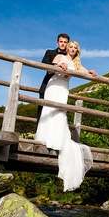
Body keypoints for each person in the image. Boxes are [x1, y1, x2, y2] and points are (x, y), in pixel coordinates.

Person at [34, 39, 95, 191]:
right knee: (51, 110)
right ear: (67, 48)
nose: (73, 49)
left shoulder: (77, 63)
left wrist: (90, 73)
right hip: (54, 85)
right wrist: (57, 66)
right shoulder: (60, 57)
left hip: (63, 88)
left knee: (61, 112)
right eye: (71, 47)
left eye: (75, 48)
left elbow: (85, 72)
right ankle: (46, 137)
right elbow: (50, 69)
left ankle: (57, 137)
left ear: (77, 51)